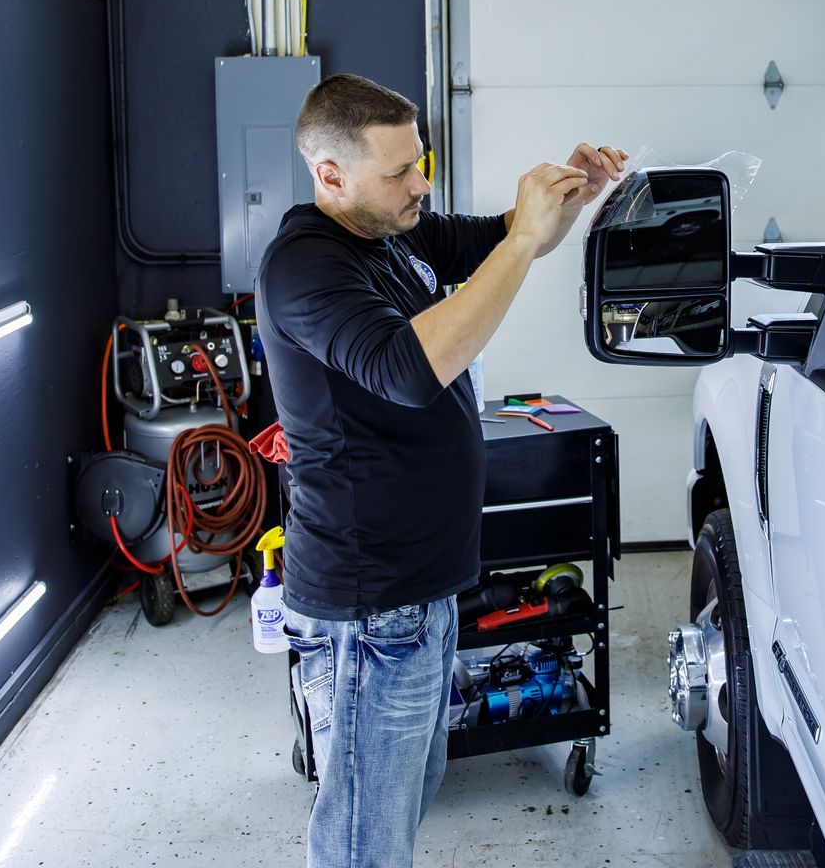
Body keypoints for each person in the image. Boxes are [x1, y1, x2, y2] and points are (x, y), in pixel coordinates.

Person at [254, 73, 626, 868]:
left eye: (419, 162)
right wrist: (523, 241)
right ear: (331, 176)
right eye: (399, 172)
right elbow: (414, 367)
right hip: (370, 607)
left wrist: (566, 200)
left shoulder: (396, 229)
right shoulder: (305, 268)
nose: (420, 184)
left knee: (401, 806)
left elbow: (502, 238)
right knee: (365, 839)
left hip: (423, 596)